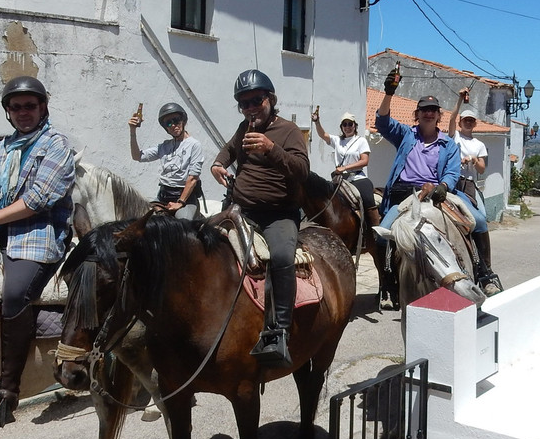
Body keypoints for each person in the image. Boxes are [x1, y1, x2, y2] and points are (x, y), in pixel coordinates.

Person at [0, 76, 75, 427]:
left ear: (43, 107)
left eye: (30, 105)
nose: (23, 112)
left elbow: (38, 199)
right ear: (8, 112)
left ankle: (7, 390)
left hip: (37, 234)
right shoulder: (3, 148)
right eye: (16, 107)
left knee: (14, 293)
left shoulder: (57, 145)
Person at [210, 69, 308, 368]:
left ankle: (280, 329)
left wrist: (272, 149)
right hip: (242, 209)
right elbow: (227, 151)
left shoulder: (289, 130)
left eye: (256, 100)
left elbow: (302, 170)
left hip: (277, 213)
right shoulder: (244, 127)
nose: (251, 108)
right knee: (202, 244)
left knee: (280, 256)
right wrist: (217, 165)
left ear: (270, 99)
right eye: (244, 103)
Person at [375, 70, 498, 289]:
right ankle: (388, 284)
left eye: (433, 110)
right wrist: (389, 92)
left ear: (439, 115)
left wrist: (442, 186)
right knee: (383, 234)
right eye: (424, 110)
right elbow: (382, 122)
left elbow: (451, 173)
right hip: (405, 194)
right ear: (417, 114)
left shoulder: (448, 144)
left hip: (439, 193)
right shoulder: (405, 134)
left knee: (478, 221)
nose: (428, 114)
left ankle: (485, 274)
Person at [446, 88, 501, 293]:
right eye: (465, 120)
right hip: (451, 182)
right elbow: (450, 119)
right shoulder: (454, 137)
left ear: (474, 124)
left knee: (480, 221)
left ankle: (486, 273)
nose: (468, 123)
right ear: (460, 122)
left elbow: (481, 169)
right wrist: (459, 100)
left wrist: (473, 159)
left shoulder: (479, 144)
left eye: (471, 121)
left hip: (468, 184)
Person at [129, 101, 205, 220]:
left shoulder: (194, 145)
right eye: (168, 123)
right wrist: (132, 131)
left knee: (182, 225)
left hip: (184, 198)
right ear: (166, 128)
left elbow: (193, 178)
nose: (173, 125)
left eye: (176, 120)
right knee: (140, 222)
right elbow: (137, 156)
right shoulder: (164, 146)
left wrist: (180, 202)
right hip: (163, 196)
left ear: (183, 120)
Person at [311, 109, 379, 229]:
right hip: (340, 180)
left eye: (350, 124)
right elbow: (323, 135)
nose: (347, 127)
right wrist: (317, 122)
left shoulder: (361, 141)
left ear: (355, 126)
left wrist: (345, 167)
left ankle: (375, 232)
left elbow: (364, 161)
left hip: (357, 178)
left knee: (368, 199)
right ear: (342, 127)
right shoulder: (337, 140)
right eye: (345, 124)